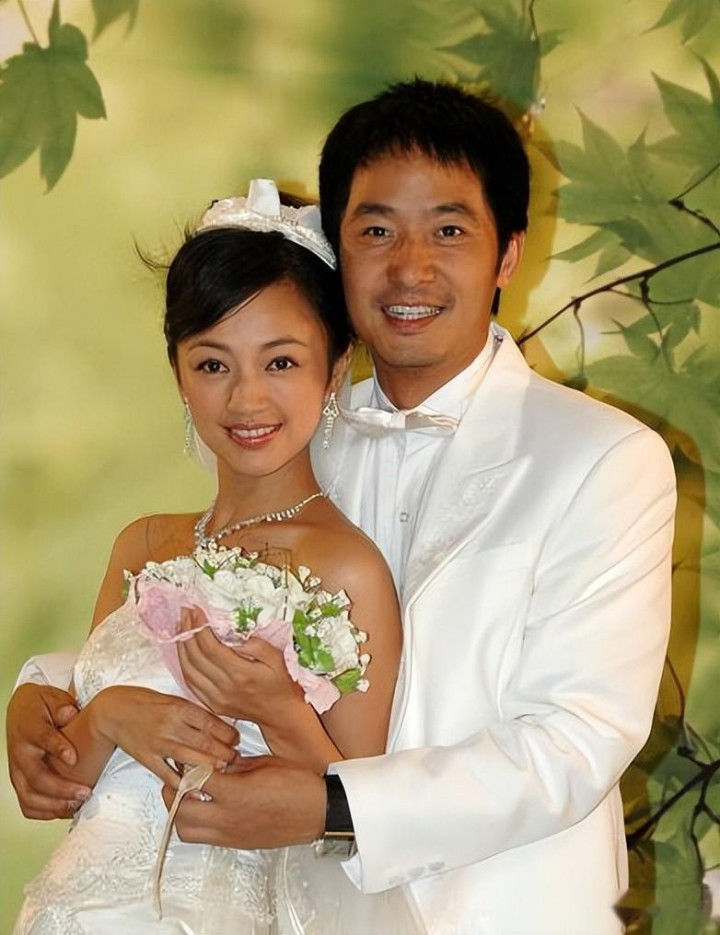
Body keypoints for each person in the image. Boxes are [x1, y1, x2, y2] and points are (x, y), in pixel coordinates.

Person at [8, 80, 677, 934]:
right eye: (376, 230)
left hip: (499, 911)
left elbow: (572, 742)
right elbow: (195, 609)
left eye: (449, 230)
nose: (411, 267)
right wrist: (45, 691)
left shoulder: (602, 457)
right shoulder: (290, 427)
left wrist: (336, 805)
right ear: (339, 251)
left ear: (508, 255)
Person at [10, 180, 418, 934]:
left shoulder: (347, 567)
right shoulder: (141, 544)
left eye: (281, 362)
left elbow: (359, 816)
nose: (246, 400)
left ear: (335, 368)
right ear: (177, 371)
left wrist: (276, 707)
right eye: (212, 364)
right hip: (70, 910)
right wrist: (107, 715)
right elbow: (62, 787)